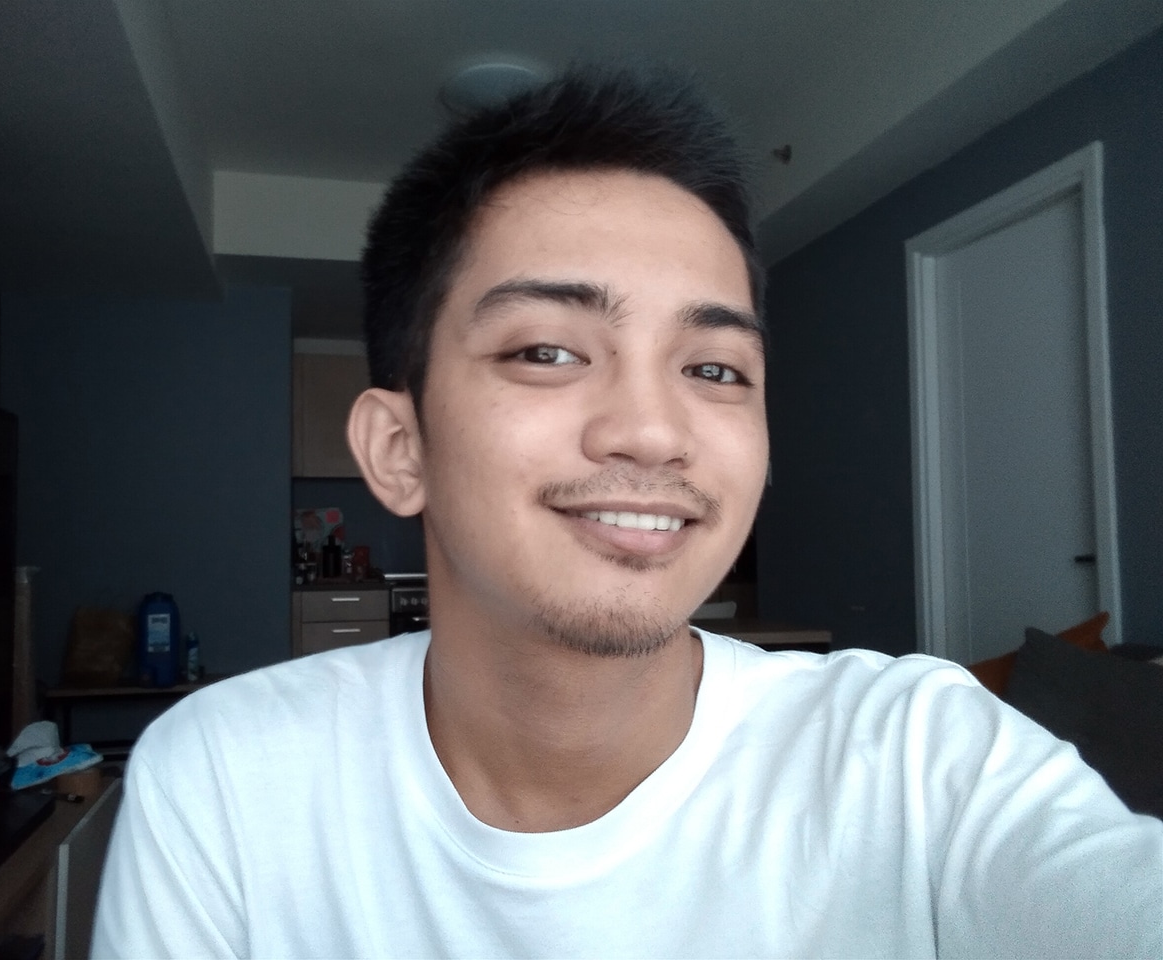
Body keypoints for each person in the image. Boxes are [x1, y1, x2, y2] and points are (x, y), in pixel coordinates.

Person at [92, 66, 1162, 958]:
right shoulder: (226, 781)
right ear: (398, 447)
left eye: (713, 367)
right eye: (547, 351)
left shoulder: (923, 759)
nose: (653, 432)